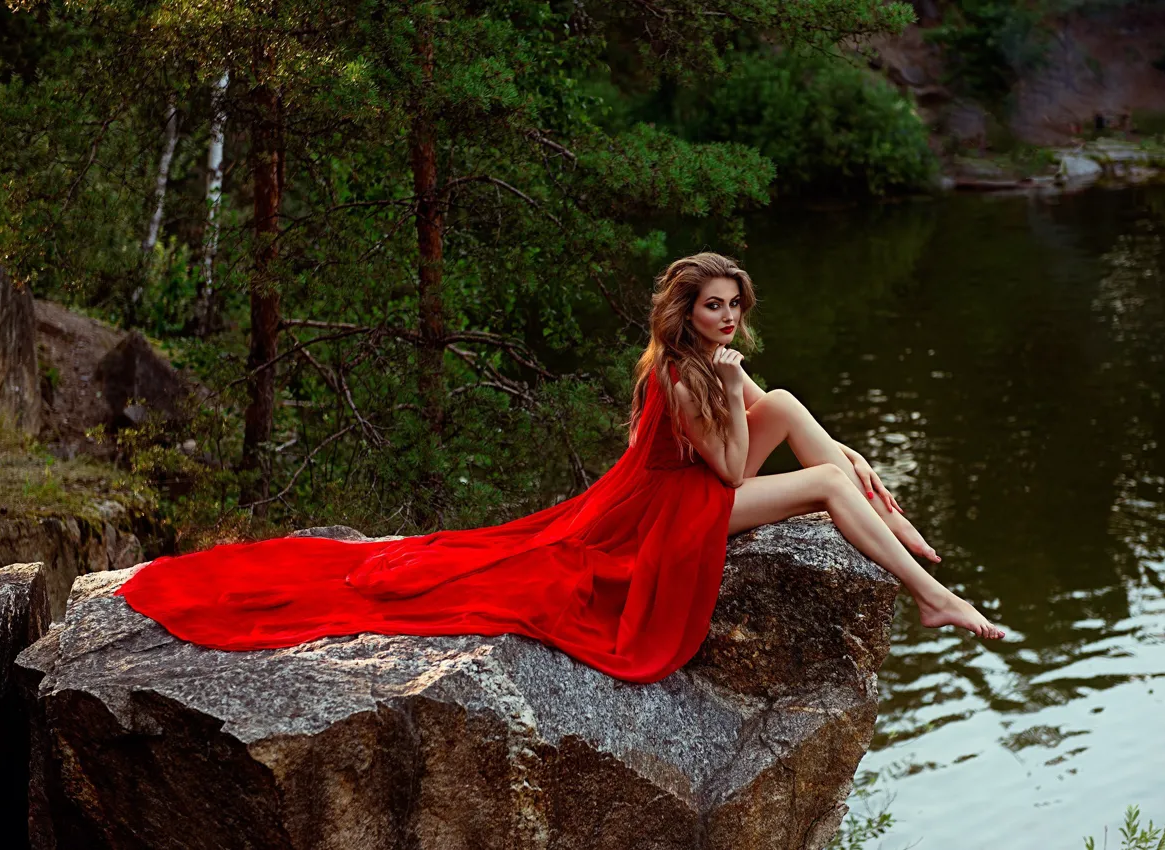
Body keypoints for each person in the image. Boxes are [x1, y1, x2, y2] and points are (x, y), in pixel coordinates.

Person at [115, 252, 1001, 687]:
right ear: (685, 312)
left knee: (808, 418)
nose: (728, 319)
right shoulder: (683, 373)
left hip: (677, 488)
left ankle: (893, 525)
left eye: (735, 308)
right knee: (822, 481)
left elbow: (773, 415)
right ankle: (929, 593)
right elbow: (731, 475)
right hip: (664, 517)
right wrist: (743, 400)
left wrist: (839, 445)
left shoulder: (714, 363)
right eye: (714, 307)